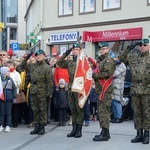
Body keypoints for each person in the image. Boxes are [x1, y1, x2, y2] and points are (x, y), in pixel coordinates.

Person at [118, 38, 150, 144]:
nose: (142, 47)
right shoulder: (132, 56)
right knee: (136, 112)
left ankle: (147, 134)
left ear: (149, 46)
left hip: (147, 89)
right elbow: (121, 57)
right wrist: (131, 46)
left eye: (145, 45)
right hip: (135, 88)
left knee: (146, 113)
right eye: (140, 45)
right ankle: (139, 134)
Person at [20, 49, 53, 135]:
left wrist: (49, 93)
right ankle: (37, 126)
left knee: (42, 109)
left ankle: (42, 127)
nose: (38, 57)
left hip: (42, 90)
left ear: (44, 56)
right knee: (35, 109)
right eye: (37, 55)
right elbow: (22, 65)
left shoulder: (46, 67)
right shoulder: (32, 66)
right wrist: (28, 56)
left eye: (40, 55)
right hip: (34, 89)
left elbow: (49, 81)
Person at [88, 42, 116, 141]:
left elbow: (107, 74)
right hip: (101, 89)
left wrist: (95, 75)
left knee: (104, 112)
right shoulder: (102, 60)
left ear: (107, 49)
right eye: (100, 49)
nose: (102, 50)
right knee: (101, 111)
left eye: (104, 49)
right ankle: (104, 132)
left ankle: (105, 133)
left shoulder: (108, 60)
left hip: (105, 89)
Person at [56, 44, 84, 138]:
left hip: (80, 87)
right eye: (74, 49)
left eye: (77, 49)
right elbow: (59, 62)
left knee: (79, 109)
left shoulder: (83, 62)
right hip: (72, 86)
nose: (75, 51)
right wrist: (66, 53)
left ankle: (79, 130)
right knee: (73, 109)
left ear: (80, 50)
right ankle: (74, 129)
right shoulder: (70, 62)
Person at [0, 67, 17, 132]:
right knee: (2, 112)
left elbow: (14, 88)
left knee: (8, 112)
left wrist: (14, 97)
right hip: (1, 98)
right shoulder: (0, 80)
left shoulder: (10, 79)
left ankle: (8, 125)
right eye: (7, 71)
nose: (9, 72)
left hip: (9, 98)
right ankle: (1, 124)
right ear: (3, 72)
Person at [6, 60, 21, 127]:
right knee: (8, 108)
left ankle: (15, 122)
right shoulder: (5, 73)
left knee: (15, 108)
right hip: (7, 93)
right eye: (7, 65)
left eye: (10, 65)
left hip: (14, 94)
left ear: (14, 66)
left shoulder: (16, 73)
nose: (9, 67)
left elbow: (19, 83)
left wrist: (12, 83)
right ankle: (8, 122)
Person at [111, 58, 126, 123]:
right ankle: (115, 116)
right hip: (114, 85)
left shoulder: (122, 66)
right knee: (113, 102)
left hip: (118, 85)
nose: (115, 60)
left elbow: (114, 74)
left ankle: (119, 117)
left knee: (117, 102)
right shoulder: (116, 65)